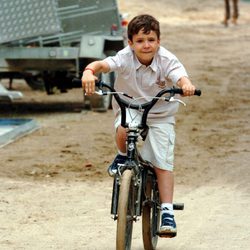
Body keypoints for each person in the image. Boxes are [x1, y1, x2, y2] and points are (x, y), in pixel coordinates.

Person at [81, 14, 196, 236]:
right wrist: (89, 72)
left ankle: (167, 211)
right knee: (123, 128)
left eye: (151, 40)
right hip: (131, 108)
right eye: (140, 41)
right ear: (130, 43)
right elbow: (103, 64)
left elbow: (180, 76)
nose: (146, 45)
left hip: (159, 113)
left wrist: (186, 85)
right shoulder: (124, 57)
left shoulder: (167, 60)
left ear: (159, 41)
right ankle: (123, 156)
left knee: (162, 162)